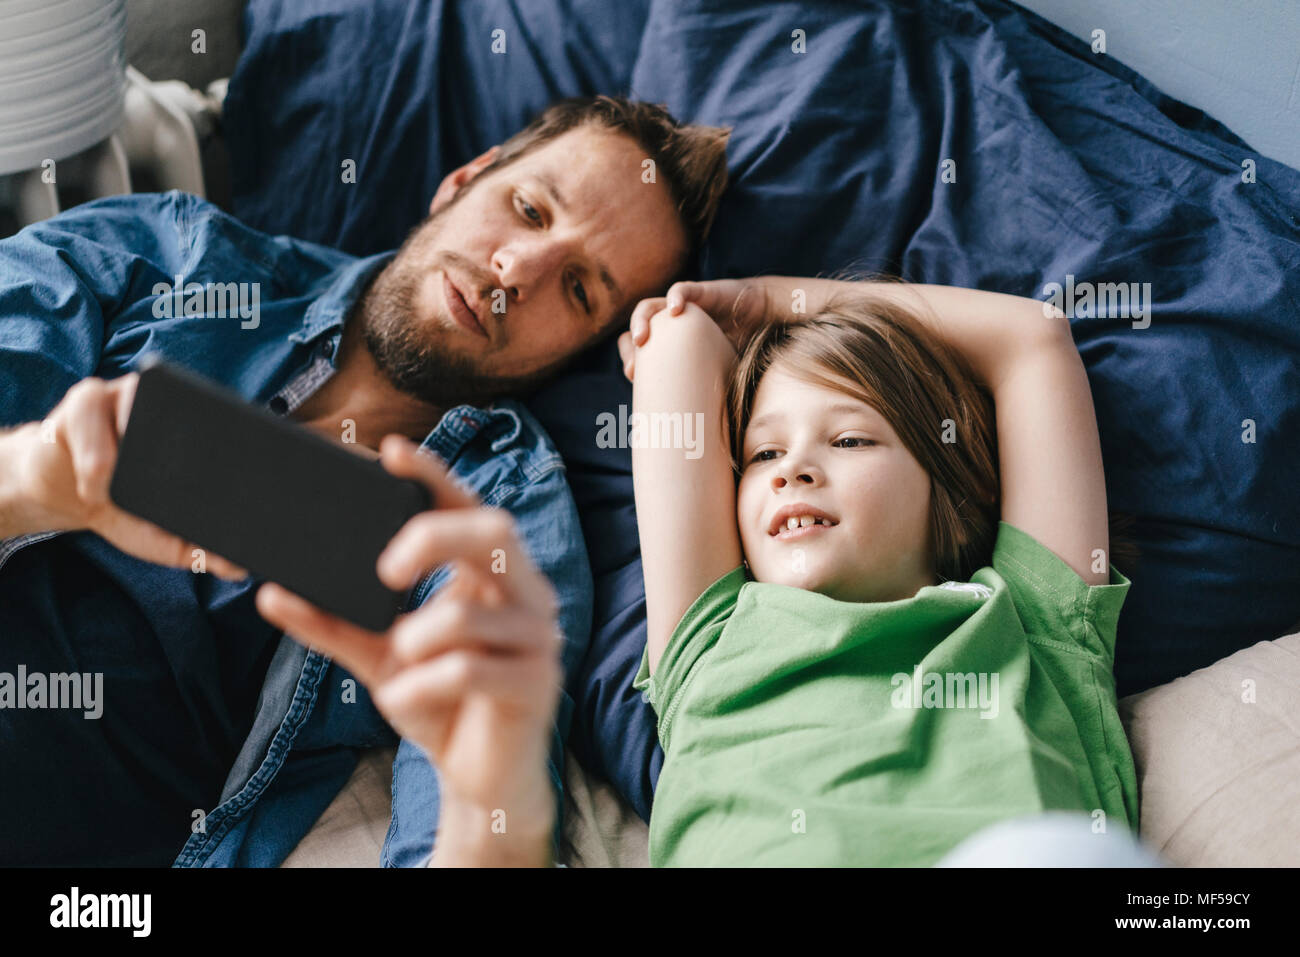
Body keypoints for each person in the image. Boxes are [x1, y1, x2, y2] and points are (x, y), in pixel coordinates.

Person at [0, 95, 730, 866]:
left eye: (580, 288)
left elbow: (464, 821)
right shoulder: (170, 252)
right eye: (530, 209)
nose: (517, 271)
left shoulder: (502, 519)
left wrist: (492, 788)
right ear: (462, 180)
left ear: (585, 347)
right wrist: (34, 477)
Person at [307, 273, 1153, 866]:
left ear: (952, 490)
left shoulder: (1035, 620)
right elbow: (681, 344)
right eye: (762, 451)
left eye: (851, 438)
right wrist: (715, 330)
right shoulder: (712, 638)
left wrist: (771, 299)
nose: (793, 469)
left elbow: (1030, 338)